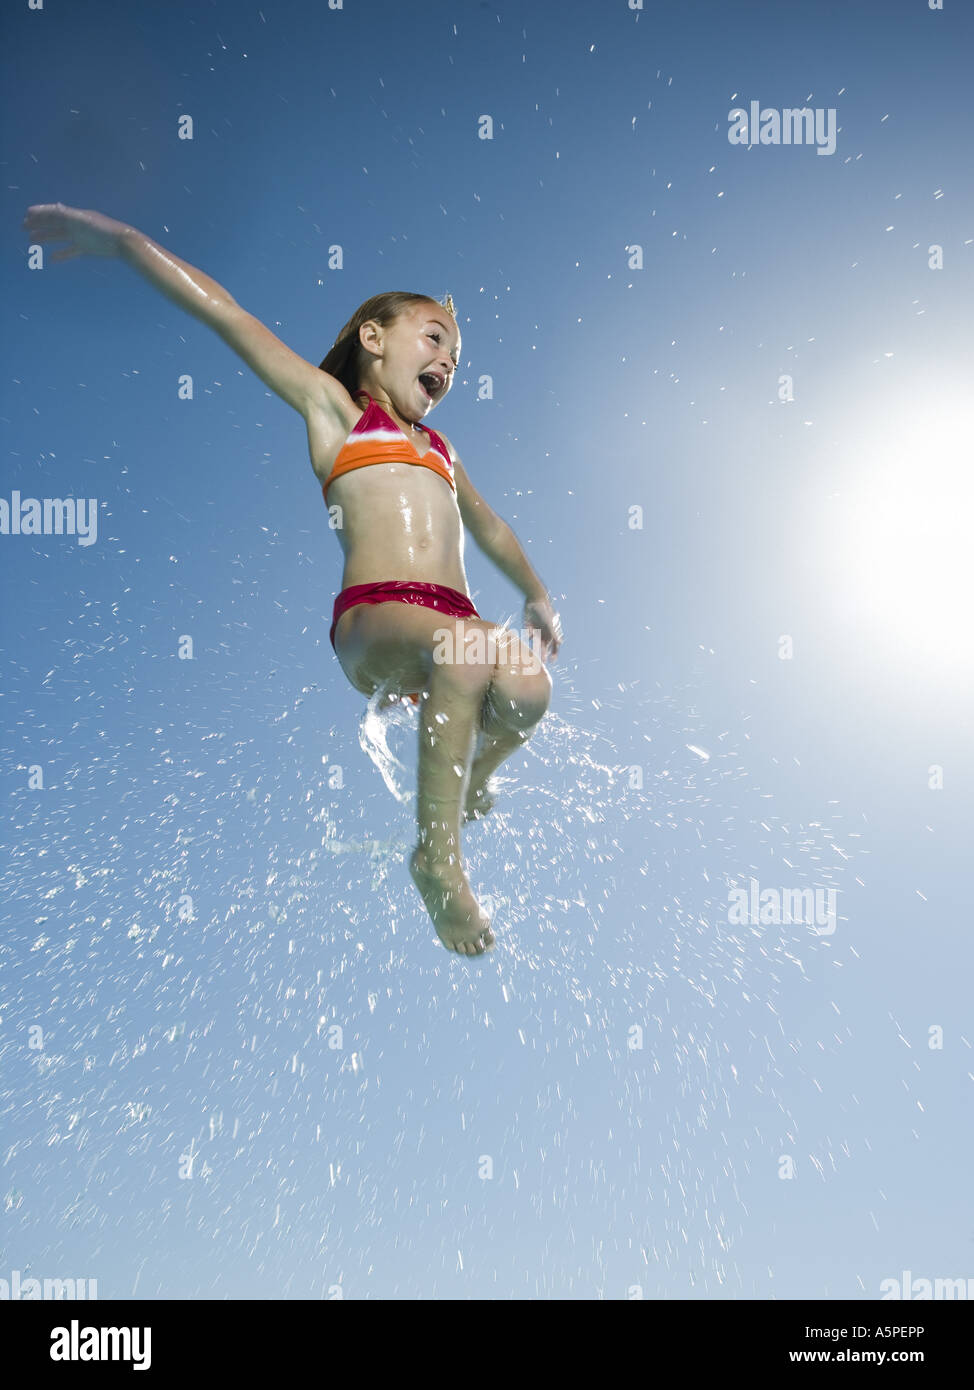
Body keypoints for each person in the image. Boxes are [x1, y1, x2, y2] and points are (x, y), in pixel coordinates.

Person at [22, 204, 564, 957]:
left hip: (451, 623)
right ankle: (437, 862)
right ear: (373, 341)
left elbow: (491, 527)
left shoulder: (441, 449)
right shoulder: (335, 412)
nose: (447, 362)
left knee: (531, 687)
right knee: (469, 650)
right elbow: (227, 314)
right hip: (376, 618)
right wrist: (123, 243)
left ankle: (470, 782)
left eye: (457, 359)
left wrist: (535, 592)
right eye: (434, 338)